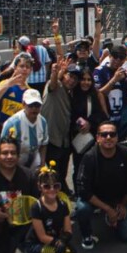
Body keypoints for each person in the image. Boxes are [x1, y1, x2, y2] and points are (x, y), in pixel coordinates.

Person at [74, 122, 127, 248]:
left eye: (112, 134)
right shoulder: (89, 157)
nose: (108, 137)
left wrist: (123, 204)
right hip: (95, 199)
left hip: (117, 199)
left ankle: (113, 217)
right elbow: (83, 189)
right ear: (98, 138)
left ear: (117, 137)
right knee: (82, 208)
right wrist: (108, 209)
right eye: (104, 135)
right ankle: (86, 234)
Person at [27, 163, 87, 253]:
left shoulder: (63, 204)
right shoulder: (36, 207)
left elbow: (68, 230)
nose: (52, 190)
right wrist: (57, 243)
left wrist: (65, 240)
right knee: (63, 252)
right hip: (37, 245)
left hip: (57, 243)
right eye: (47, 186)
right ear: (40, 187)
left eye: (56, 186)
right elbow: (42, 236)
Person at [43, 57, 78, 191]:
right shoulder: (55, 87)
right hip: (52, 139)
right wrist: (55, 72)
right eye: (70, 76)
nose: (72, 80)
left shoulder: (71, 93)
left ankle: (63, 191)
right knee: (53, 172)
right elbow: (53, 83)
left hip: (64, 140)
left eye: (75, 78)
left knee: (62, 171)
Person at [0, 52, 33, 147]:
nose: (24, 69)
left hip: (19, 135)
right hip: (1, 132)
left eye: (27, 67)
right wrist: (8, 85)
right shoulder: (4, 84)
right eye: (21, 66)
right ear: (15, 68)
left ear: (31, 70)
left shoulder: (30, 92)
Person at [0, 89, 49, 169]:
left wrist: (42, 164)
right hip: (15, 164)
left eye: (37, 105)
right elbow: (2, 148)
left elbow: (44, 145)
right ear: (23, 104)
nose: (34, 109)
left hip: (34, 161)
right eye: (30, 105)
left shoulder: (43, 122)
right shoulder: (12, 124)